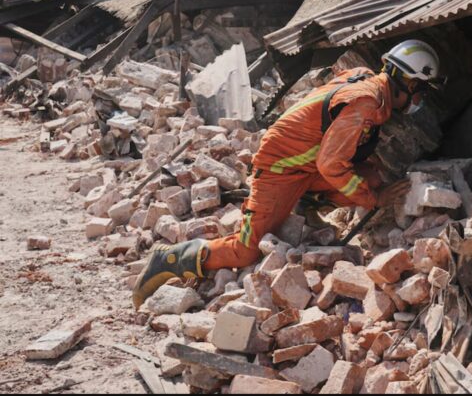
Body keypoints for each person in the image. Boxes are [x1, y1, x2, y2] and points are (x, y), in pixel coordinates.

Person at [132, 39, 443, 309]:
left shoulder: (367, 82)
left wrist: (369, 188)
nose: (421, 100)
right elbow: (332, 165)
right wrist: (374, 199)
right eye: (422, 91)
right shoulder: (366, 102)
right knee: (245, 251)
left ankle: (305, 205)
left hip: (303, 165)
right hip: (280, 168)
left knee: (370, 176)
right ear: (408, 83)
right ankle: (170, 259)